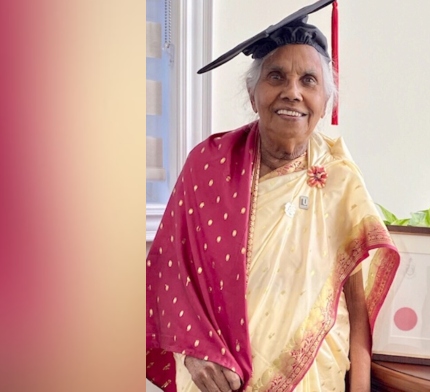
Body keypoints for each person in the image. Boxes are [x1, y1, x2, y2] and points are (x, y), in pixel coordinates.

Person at [145, 1, 401, 391]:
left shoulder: (340, 182)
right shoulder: (207, 166)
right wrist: (193, 350)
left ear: (325, 101)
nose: (292, 93)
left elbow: (356, 310)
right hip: (215, 381)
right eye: (276, 77)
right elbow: (167, 275)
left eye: (309, 81)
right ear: (254, 95)